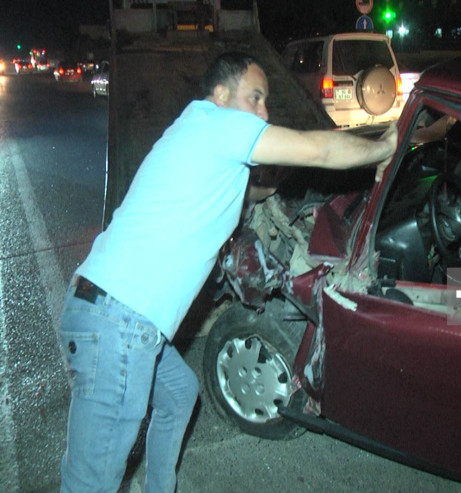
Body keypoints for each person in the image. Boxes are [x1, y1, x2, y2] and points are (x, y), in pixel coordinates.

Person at [58, 51, 398, 492]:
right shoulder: (216, 124)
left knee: (179, 396)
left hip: (119, 318)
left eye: (265, 102)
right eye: (255, 98)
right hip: (119, 321)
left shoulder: (200, 138)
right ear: (220, 95)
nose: (263, 112)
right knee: (90, 483)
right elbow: (322, 148)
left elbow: (260, 189)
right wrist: (384, 149)